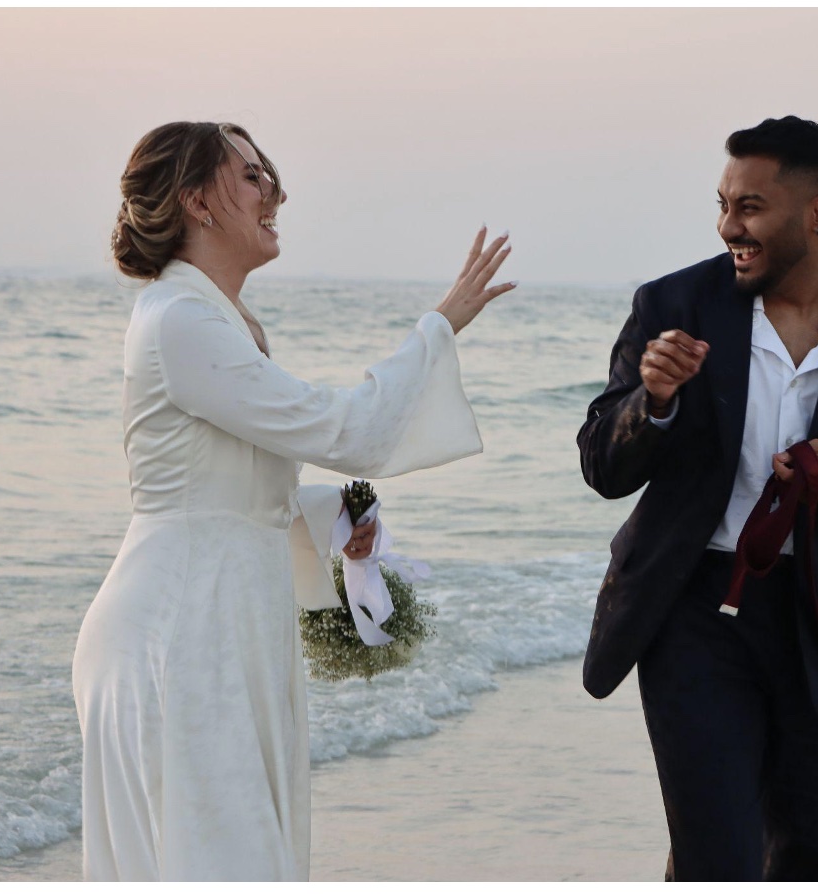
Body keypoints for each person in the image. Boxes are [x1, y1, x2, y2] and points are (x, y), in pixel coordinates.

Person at [72, 121, 517, 880]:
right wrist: (439, 327)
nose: (274, 191)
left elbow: (232, 483)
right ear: (197, 202)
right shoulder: (181, 321)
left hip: (221, 618)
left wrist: (329, 518)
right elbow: (348, 429)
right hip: (179, 632)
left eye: (267, 173)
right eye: (251, 176)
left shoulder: (221, 321)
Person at [575, 116, 818, 881]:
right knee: (718, 859)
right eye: (722, 204)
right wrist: (656, 401)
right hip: (692, 616)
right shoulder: (672, 303)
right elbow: (601, 465)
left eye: (748, 207)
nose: (727, 227)